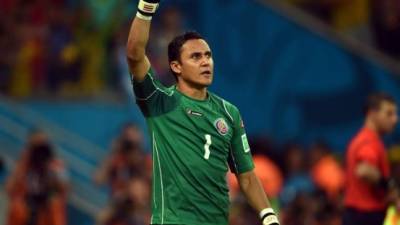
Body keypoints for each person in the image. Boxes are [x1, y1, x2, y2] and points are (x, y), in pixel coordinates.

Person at [125, 1, 279, 225]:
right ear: (176, 66)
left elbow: (246, 176)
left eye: (208, 55)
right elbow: (134, 54)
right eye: (195, 57)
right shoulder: (160, 101)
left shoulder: (228, 113)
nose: (206, 61)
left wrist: (269, 216)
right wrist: (146, 7)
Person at [343, 93, 398, 225]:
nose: (395, 119)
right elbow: (364, 170)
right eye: (389, 114)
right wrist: (388, 185)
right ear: (372, 114)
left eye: (395, 114)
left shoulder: (363, 139)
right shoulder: (368, 141)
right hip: (366, 216)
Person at [6, 129, 68, 225]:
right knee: (18, 209)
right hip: (24, 214)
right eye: (35, 147)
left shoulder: (56, 165)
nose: (39, 153)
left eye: (42, 146)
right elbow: (9, 188)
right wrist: (22, 167)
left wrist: (52, 174)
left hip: (47, 215)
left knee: (55, 204)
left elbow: (64, 190)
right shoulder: (24, 164)